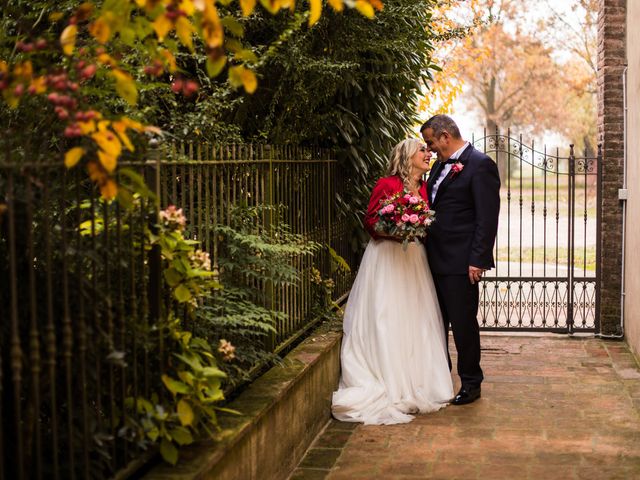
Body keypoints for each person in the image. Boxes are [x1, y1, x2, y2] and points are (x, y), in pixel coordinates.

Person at [331, 138, 453, 425]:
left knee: (415, 314)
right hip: (387, 257)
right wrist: (396, 231)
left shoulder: (423, 188)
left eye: (427, 149)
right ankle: (388, 377)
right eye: (422, 150)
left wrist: (417, 229)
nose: (428, 153)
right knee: (387, 313)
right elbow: (371, 221)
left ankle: (417, 380)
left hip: (413, 259)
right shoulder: (386, 185)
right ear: (407, 157)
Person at [420, 115, 500, 405]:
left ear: (444, 136)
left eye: (431, 142)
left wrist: (477, 259)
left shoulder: (480, 165)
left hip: (460, 261)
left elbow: (487, 218)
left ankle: (471, 382)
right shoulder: (439, 166)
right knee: (435, 321)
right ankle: (441, 378)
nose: (429, 149)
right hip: (431, 258)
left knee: (463, 323)